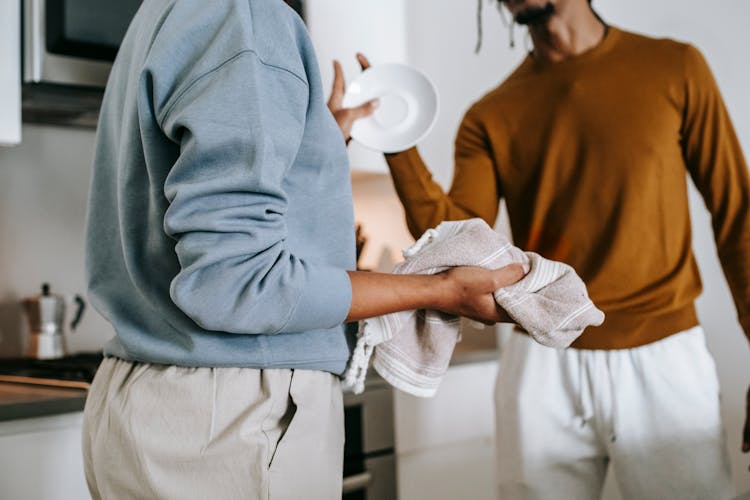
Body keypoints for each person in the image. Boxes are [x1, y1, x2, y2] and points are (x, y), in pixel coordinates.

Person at [81, 1, 525, 499]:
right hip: (234, 415)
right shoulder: (242, 17)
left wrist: (310, 143)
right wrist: (440, 289)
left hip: (151, 400)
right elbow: (237, 282)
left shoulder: (171, 12)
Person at [355, 0, 750, 498]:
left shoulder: (676, 67)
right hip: (540, 362)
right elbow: (455, 242)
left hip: (665, 358)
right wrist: (395, 136)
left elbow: (739, 214)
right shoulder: (490, 115)